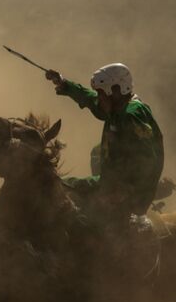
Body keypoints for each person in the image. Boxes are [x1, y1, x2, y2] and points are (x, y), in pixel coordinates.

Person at [44, 62, 164, 224]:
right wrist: (64, 84)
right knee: (62, 185)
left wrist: (124, 192)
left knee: (82, 223)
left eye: (101, 94)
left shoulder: (132, 115)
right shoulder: (116, 109)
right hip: (109, 183)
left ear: (115, 91)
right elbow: (89, 98)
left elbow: (148, 161)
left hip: (131, 197)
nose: (98, 98)